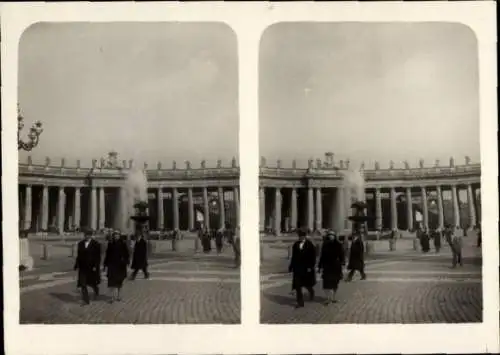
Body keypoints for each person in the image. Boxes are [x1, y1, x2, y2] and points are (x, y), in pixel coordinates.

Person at [288, 229, 317, 308]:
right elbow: (293, 257)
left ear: (305, 236)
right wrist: (291, 266)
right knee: (298, 285)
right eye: (299, 236)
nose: (300, 238)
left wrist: (311, 267)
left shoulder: (310, 245)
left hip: (306, 268)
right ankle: (300, 302)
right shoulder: (296, 244)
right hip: (297, 268)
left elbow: (313, 257)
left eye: (302, 236)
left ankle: (311, 292)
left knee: (307, 284)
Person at [74, 230, 102, 305]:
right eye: (85, 235)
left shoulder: (96, 244)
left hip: (91, 267)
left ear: (91, 235)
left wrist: (96, 266)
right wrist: (76, 265)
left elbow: (98, 257)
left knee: (91, 282)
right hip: (83, 267)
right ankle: (86, 300)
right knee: (83, 284)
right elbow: (79, 255)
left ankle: (96, 289)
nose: (87, 236)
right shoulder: (80, 243)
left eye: (88, 235)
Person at [318, 231, 345, 305]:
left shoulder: (338, 245)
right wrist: (319, 266)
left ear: (334, 236)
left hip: (336, 266)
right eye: (329, 235)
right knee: (326, 283)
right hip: (327, 266)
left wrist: (343, 262)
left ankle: (333, 297)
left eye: (332, 235)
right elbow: (322, 256)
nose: (331, 236)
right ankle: (328, 298)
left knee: (335, 283)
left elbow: (342, 254)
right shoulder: (325, 244)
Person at [103, 230, 130, 303]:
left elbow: (127, 254)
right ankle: (111, 297)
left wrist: (126, 262)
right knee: (111, 281)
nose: (116, 236)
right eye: (115, 234)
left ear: (119, 235)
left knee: (119, 281)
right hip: (112, 265)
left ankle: (119, 296)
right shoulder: (110, 243)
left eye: (117, 234)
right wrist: (105, 264)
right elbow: (107, 254)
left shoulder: (123, 243)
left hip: (120, 266)